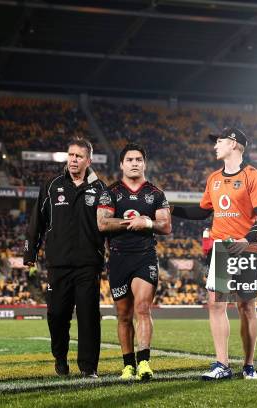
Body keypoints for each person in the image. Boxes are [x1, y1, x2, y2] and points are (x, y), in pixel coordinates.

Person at [172, 127, 257, 380]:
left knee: (246, 306)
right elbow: (202, 211)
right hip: (222, 249)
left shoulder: (253, 176)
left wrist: (246, 239)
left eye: (219, 142)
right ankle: (221, 365)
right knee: (216, 304)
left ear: (234, 145)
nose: (215, 146)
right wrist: (171, 208)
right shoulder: (213, 178)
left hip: (247, 248)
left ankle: (249, 365)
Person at [23, 138, 106, 378]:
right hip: (58, 265)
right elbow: (36, 221)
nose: (73, 160)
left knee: (89, 317)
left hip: (89, 265)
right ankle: (60, 358)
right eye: (70, 155)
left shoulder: (100, 189)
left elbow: (107, 225)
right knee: (57, 314)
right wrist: (31, 251)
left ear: (88, 161)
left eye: (79, 156)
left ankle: (88, 367)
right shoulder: (51, 186)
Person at [97, 143, 171, 381]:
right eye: (130, 160)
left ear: (144, 163)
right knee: (124, 315)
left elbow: (166, 226)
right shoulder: (110, 192)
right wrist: (132, 223)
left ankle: (144, 363)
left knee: (142, 308)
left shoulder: (156, 193)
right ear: (121, 164)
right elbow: (102, 224)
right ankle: (128, 365)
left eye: (139, 159)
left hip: (144, 256)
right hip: (118, 257)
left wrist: (147, 223)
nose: (135, 163)